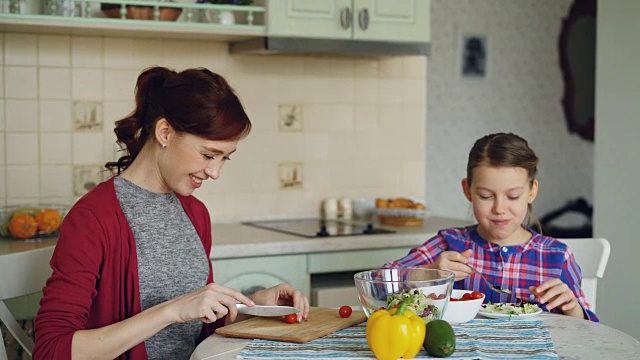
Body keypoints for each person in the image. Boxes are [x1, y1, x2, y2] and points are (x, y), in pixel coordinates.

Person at [33, 66, 310, 360]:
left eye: (224, 158)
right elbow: (51, 351)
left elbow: (196, 330)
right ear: (165, 132)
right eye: (207, 154)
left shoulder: (195, 213)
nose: (215, 172)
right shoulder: (93, 218)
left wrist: (252, 307)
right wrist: (171, 310)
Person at [383, 133, 598, 322]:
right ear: (468, 190)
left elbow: (588, 330)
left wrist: (572, 308)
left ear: (532, 191)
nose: (499, 208)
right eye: (485, 196)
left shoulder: (556, 257)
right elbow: (379, 282)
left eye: (513, 196)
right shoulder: (449, 244)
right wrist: (429, 273)